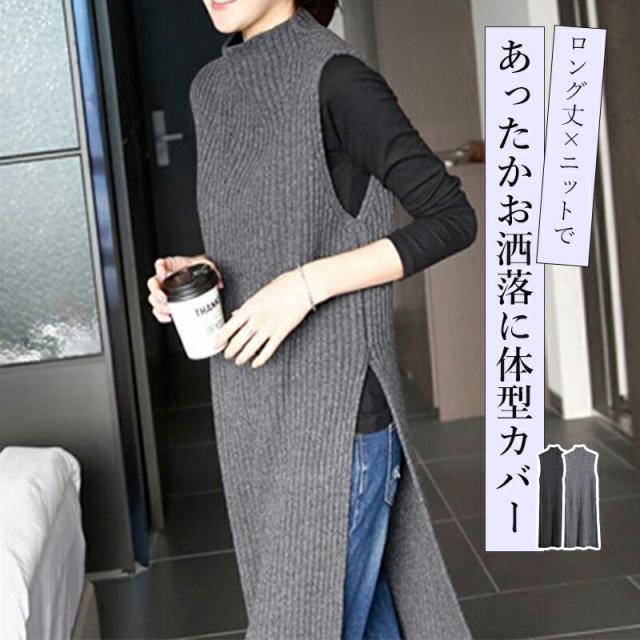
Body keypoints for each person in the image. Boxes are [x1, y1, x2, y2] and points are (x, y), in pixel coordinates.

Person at [147, 1, 477, 638]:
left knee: (301, 624)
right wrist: (198, 274)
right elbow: (261, 238)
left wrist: (305, 286)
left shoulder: (335, 77)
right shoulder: (210, 89)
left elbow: (451, 219)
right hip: (250, 405)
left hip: (337, 411)